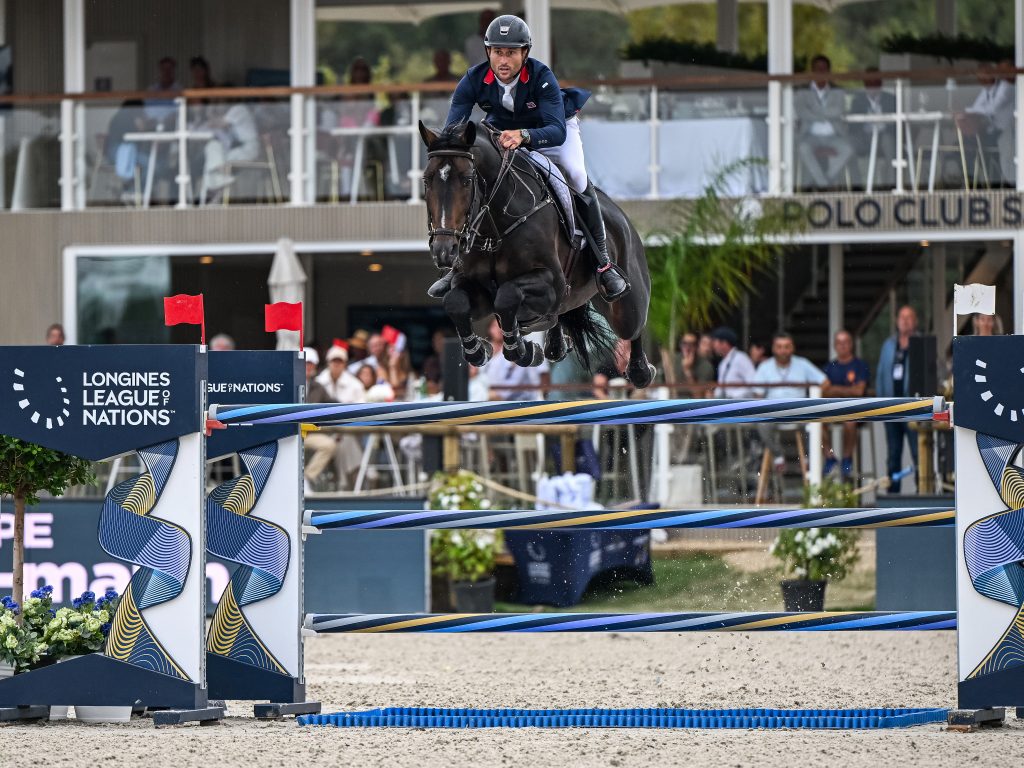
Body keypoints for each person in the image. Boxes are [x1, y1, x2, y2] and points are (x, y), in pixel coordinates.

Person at [431, 14, 629, 303]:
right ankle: (458, 265)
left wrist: (524, 135)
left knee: (574, 174)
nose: (503, 60)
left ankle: (603, 262)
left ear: (524, 53)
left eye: (511, 52)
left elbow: (556, 131)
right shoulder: (473, 79)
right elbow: (454, 128)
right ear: (488, 52)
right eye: (497, 52)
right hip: (505, 131)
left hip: (550, 130)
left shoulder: (541, 76)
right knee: (478, 180)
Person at [753, 332, 828, 473]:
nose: (783, 350)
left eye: (787, 347)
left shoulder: (802, 364)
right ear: (774, 349)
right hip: (773, 411)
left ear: (792, 348)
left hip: (799, 410)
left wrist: (813, 398)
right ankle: (778, 456)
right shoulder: (765, 367)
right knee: (760, 420)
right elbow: (757, 394)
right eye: (779, 347)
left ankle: (807, 458)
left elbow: (825, 382)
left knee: (815, 420)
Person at [876, 305, 920, 493]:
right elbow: (880, 374)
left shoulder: (921, 343)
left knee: (919, 453)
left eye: (909, 317)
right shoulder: (888, 344)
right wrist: (879, 405)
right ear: (896, 321)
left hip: (914, 409)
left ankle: (924, 493)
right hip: (891, 407)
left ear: (915, 321)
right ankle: (893, 496)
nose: (905, 320)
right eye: (901, 317)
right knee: (893, 454)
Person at [795, 54, 853, 190]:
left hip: (834, 136)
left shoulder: (837, 90)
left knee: (848, 149)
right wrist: (825, 113)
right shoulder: (802, 91)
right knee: (803, 149)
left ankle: (823, 181)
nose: (820, 72)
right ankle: (823, 184)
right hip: (810, 136)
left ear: (828, 71)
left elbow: (838, 111)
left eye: (823, 69)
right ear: (812, 71)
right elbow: (801, 111)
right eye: (817, 69)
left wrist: (814, 112)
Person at [957, 62, 1016, 186]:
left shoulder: (1006, 86)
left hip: (1004, 130)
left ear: (993, 74)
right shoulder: (987, 89)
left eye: (984, 75)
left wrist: (966, 110)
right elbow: (977, 106)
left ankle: (996, 183)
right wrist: (968, 111)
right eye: (980, 77)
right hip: (991, 129)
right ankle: (971, 179)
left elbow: (992, 109)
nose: (982, 79)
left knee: (981, 149)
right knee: (964, 144)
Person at [822, 330, 870, 479]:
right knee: (816, 423)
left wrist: (835, 389)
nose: (843, 346)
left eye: (846, 342)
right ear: (835, 346)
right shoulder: (829, 367)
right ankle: (830, 458)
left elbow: (859, 391)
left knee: (850, 421)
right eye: (839, 343)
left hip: (854, 411)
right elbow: (823, 392)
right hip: (833, 410)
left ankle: (847, 459)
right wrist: (846, 390)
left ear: (851, 344)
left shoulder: (860, 365)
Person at [849, 68, 896, 188]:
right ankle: (857, 185)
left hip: (883, 137)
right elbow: (852, 127)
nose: (873, 85)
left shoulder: (891, 99)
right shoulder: (858, 100)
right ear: (865, 83)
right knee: (849, 146)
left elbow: (895, 126)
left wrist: (882, 123)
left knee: (889, 143)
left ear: (881, 83)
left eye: (876, 82)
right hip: (864, 137)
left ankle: (890, 185)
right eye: (869, 82)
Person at [482, 318, 550, 399]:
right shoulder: (484, 351)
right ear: (489, 329)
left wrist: (498, 395)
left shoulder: (519, 349)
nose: (498, 329)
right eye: (494, 326)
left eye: (500, 326)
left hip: (518, 400)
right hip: (488, 396)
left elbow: (517, 379)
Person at [301, 347, 337, 493]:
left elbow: (333, 404)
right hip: (288, 434)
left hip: (309, 434)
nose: (309, 366)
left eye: (312, 363)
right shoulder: (287, 383)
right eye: (306, 363)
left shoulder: (318, 387)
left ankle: (306, 479)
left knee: (329, 445)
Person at [710, 326, 755, 398]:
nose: (714, 346)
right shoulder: (723, 363)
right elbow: (721, 387)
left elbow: (753, 383)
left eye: (715, 342)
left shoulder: (741, 358)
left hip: (740, 404)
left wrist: (733, 396)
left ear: (724, 343)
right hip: (727, 403)